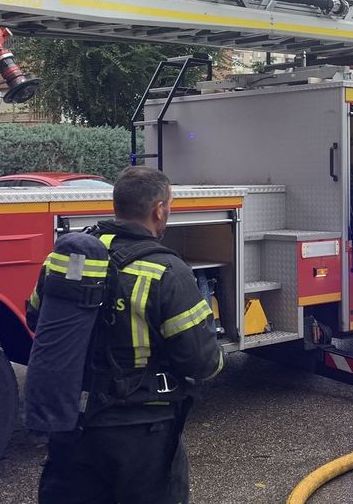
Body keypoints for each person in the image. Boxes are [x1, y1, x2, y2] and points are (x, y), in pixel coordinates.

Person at [37, 166, 225, 504]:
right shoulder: (167, 271)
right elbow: (203, 362)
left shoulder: (68, 257)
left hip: (73, 424)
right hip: (142, 434)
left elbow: (38, 317)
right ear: (159, 210)